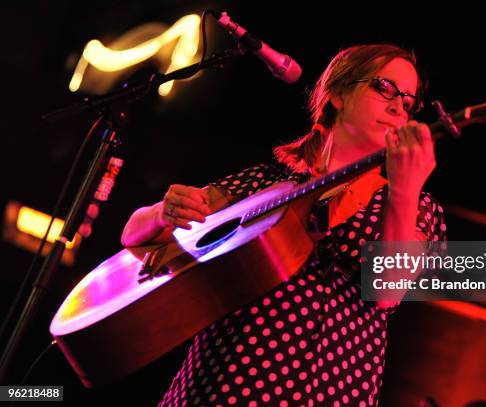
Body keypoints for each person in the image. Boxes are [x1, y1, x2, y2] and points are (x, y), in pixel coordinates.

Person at [121, 43, 447, 407]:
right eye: (384, 88)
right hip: (224, 383)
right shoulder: (267, 181)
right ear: (338, 94)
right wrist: (161, 212)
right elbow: (134, 235)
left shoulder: (416, 206)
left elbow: (387, 292)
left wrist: (404, 189)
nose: (396, 108)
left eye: (408, 103)